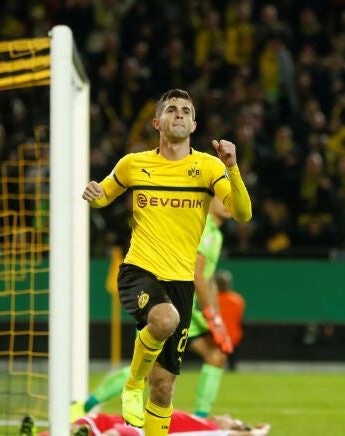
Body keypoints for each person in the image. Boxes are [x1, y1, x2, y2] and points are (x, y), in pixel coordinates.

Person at [81, 89, 252, 434]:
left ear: (194, 125)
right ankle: (132, 384)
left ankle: (144, 396)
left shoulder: (209, 167)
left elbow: (243, 213)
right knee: (164, 319)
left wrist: (232, 168)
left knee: (162, 387)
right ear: (157, 123)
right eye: (171, 109)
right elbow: (104, 195)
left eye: (186, 111)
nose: (179, 114)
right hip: (139, 271)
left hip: (181, 285)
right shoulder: (133, 164)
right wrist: (95, 195)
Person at [70, 198, 236, 420]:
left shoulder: (216, 233)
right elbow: (198, 277)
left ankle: (199, 419)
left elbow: (209, 278)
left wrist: (216, 318)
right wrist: (212, 317)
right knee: (146, 368)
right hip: (169, 304)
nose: (227, 203)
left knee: (216, 355)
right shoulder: (202, 226)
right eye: (222, 197)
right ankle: (83, 407)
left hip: (189, 310)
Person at [23, 409, 270, 436]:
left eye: (231, 419)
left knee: (112, 434)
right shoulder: (201, 419)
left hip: (136, 431)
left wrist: (258, 432)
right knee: (73, 428)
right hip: (116, 419)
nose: (225, 415)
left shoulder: (212, 430)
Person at [214, 270, 245, 372]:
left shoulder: (212, 300)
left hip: (216, 337)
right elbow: (240, 320)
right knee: (232, 366)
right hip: (233, 337)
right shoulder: (237, 299)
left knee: (214, 364)